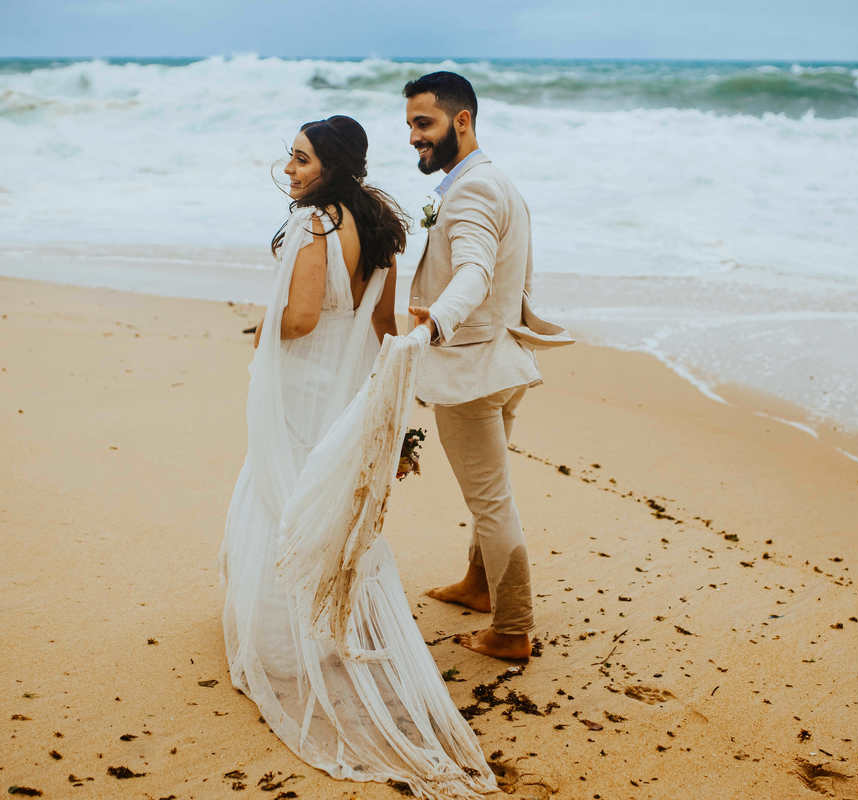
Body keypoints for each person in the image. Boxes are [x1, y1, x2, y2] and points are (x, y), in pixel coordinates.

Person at [218, 115, 497, 799]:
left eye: (301, 159)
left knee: (282, 494)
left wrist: (266, 318)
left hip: (305, 380)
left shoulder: (312, 225)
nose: (290, 170)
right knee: (329, 505)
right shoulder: (378, 225)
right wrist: (382, 413)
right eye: (290, 158)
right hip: (348, 385)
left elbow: (304, 318)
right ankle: (334, 627)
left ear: (332, 163)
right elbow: (381, 325)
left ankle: (287, 643)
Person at [405, 72, 572, 662]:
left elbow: (474, 272)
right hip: (503, 360)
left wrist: (434, 323)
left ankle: (511, 627)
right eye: (410, 127)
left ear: (463, 121)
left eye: (424, 124)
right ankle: (479, 586)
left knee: (491, 501)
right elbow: (513, 276)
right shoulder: (498, 182)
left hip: (472, 371)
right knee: (491, 491)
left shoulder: (472, 191)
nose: (414, 138)